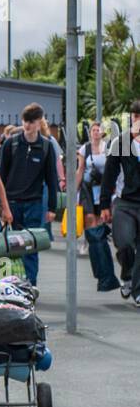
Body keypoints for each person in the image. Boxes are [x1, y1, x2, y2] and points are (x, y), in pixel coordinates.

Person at [0, 103, 59, 285]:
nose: (27, 125)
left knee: (30, 245)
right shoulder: (11, 144)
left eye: (32, 121)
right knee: (11, 244)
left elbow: (52, 178)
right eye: (25, 121)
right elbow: (1, 175)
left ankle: (30, 283)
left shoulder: (46, 146)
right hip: (12, 203)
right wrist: (0, 202)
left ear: (39, 122)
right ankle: (10, 281)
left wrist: (52, 207)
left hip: (34, 202)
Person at [100, 100, 140, 306]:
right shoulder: (121, 143)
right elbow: (109, 176)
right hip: (125, 203)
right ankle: (128, 276)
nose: (137, 121)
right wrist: (104, 205)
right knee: (124, 243)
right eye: (134, 117)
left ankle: (137, 290)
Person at [76, 122, 119, 292]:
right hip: (87, 191)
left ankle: (105, 274)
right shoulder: (84, 149)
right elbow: (80, 170)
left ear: (102, 132)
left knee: (100, 227)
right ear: (90, 133)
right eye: (93, 130)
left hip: (103, 192)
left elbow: (115, 169)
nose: (95, 132)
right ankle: (103, 274)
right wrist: (74, 192)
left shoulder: (109, 147)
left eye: (98, 130)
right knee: (92, 227)